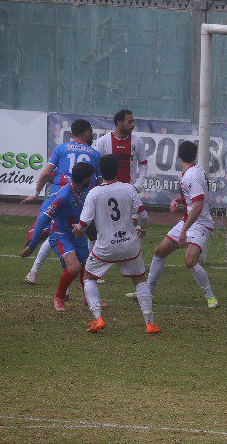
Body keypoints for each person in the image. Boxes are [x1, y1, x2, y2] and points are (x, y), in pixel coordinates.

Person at [73, 154, 159, 334]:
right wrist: (142, 229)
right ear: (118, 170)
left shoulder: (94, 193)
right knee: (139, 280)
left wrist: (77, 230)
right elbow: (143, 215)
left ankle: (98, 319)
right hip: (129, 244)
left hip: (105, 247)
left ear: (100, 172)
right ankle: (150, 323)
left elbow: (83, 224)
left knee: (89, 277)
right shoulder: (128, 189)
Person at [132, 140, 219, 309]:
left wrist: (184, 230)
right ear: (194, 156)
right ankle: (148, 291)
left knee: (190, 260)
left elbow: (199, 204)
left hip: (200, 224)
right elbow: (196, 197)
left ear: (178, 155)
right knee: (159, 252)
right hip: (189, 220)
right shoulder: (196, 170)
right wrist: (178, 200)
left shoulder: (190, 176)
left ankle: (210, 296)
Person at [21, 118, 101, 285]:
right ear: (86, 132)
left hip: (59, 196)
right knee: (73, 236)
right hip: (81, 202)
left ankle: (34, 270)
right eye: (90, 131)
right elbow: (98, 182)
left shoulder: (61, 148)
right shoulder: (95, 154)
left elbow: (45, 174)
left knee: (57, 232)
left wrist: (36, 194)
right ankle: (85, 281)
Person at [20, 162, 96, 312]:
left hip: (77, 233)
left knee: (85, 267)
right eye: (91, 177)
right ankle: (59, 297)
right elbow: (44, 218)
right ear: (84, 179)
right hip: (61, 235)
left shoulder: (84, 191)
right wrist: (32, 246)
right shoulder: (64, 195)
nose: (93, 179)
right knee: (74, 268)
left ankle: (87, 297)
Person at [94, 109, 148, 192]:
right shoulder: (103, 141)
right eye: (129, 122)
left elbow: (143, 164)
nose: (133, 125)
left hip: (129, 190)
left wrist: (138, 185)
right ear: (119, 123)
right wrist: (101, 183)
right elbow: (95, 164)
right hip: (108, 191)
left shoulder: (137, 141)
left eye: (133, 122)